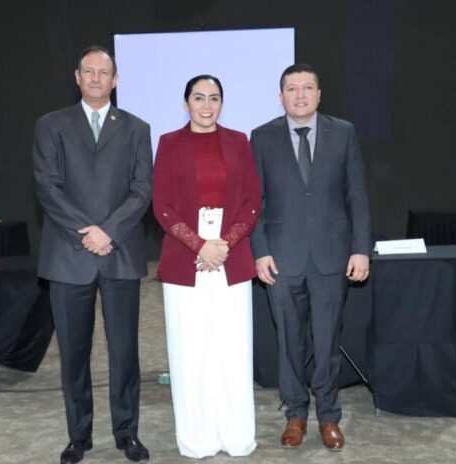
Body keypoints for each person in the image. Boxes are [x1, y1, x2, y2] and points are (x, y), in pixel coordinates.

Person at [32, 45, 152, 464]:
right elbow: (47, 188)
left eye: (105, 72)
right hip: (69, 256)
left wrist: (109, 232)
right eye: (89, 71)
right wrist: (88, 234)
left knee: (125, 354)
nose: (97, 78)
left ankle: (127, 434)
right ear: (77, 77)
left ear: (115, 80)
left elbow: (142, 190)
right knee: (73, 355)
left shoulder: (136, 128)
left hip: (120, 253)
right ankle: (78, 437)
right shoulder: (51, 125)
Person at [250, 63, 371, 451]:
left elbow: (357, 196)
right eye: (292, 88)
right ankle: (296, 414)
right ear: (280, 96)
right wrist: (260, 251)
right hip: (281, 259)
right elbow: (254, 203)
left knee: (327, 340)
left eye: (307, 88)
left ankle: (329, 416)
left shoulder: (344, 132)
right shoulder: (262, 137)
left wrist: (361, 249)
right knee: (289, 342)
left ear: (319, 95)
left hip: (332, 257)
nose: (299, 95)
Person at [152, 75, 261, 459]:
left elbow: (252, 202)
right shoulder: (169, 143)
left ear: (222, 103)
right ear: (186, 104)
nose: (206, 105)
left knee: (232, 350)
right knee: (190, 350)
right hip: (186, 257)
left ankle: (236, 435)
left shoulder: (239, 141)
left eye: (214, 98)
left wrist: (224, 243)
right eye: (198, 98)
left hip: (231, 255)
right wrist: (200, 245)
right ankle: (196, 438)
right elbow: (162, 205)